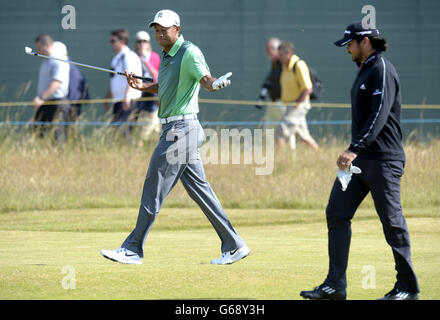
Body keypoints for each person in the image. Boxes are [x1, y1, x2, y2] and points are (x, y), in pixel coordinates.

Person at [101, 9, 250, 265]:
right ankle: (234, 245)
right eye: (156, 29)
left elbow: (205, 80)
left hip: (180, 131)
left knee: (154, 184)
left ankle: (133, 248)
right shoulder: (168, 56)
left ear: (177, 29)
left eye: (164, 29)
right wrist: (141, 86)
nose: (159, 33)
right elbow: (166, 85)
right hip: (178, 130)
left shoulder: (188, 52)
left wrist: (216, 84)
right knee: (200, 192)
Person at [300, 21, 420, 300]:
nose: (348, 50)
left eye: (350, 44)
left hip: (383, 160)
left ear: (365, 41)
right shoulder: (365, 69)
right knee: (336, 211)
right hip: (361, 160)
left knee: (391, 220)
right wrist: (357, 151)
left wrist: (354, 148)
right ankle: (335, 286)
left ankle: (407, 288)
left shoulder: (382, 69)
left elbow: (378, 114)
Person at [275, 41, 319, 152]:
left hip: (297, 105)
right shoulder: (285, 67)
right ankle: (318, 154)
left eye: (281, 55)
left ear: (289, 53)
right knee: (304, 136)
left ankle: (277, 162)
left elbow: (308, 89)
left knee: (279, 133)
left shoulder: (299, 65)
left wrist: (295, 104)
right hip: (292, 105)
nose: (279, 58)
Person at [32, 34, 70, 141]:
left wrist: (41, 98)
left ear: (47, 46)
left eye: (39, 48)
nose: (37, 51)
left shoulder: (58, 60)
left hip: (57, 104)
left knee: (59, 136)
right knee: (37, 133)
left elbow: (57, 83)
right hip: (46, 103)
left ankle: (59, 157)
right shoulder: (46, 61)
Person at [104, 29, 142, 134]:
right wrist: (108, 98)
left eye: (113, 41)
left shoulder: (128, 56)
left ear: (122, 41)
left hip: (127, 101)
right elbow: (114, 79)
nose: (110, 43)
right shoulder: (116, 58)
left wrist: (127, 97)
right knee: (116, 133)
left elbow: (132, 77)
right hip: (118, 101)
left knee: (124, 134)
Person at [132, 30, 161, 144]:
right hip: (139, 94)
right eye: (139, 41)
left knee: (152, 124)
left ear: (148, 43)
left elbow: (156, 75)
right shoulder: (133, 57)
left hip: (152, 93)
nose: (141, 44)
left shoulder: (154, 57)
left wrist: (145, 61)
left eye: (144, 41)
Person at [52, 41, 90, 121]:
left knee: (68, 130)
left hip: (72, 104)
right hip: (72, 102)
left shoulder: (65, 65)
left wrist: (67, 104)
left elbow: (74, 87)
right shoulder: (67, 64)